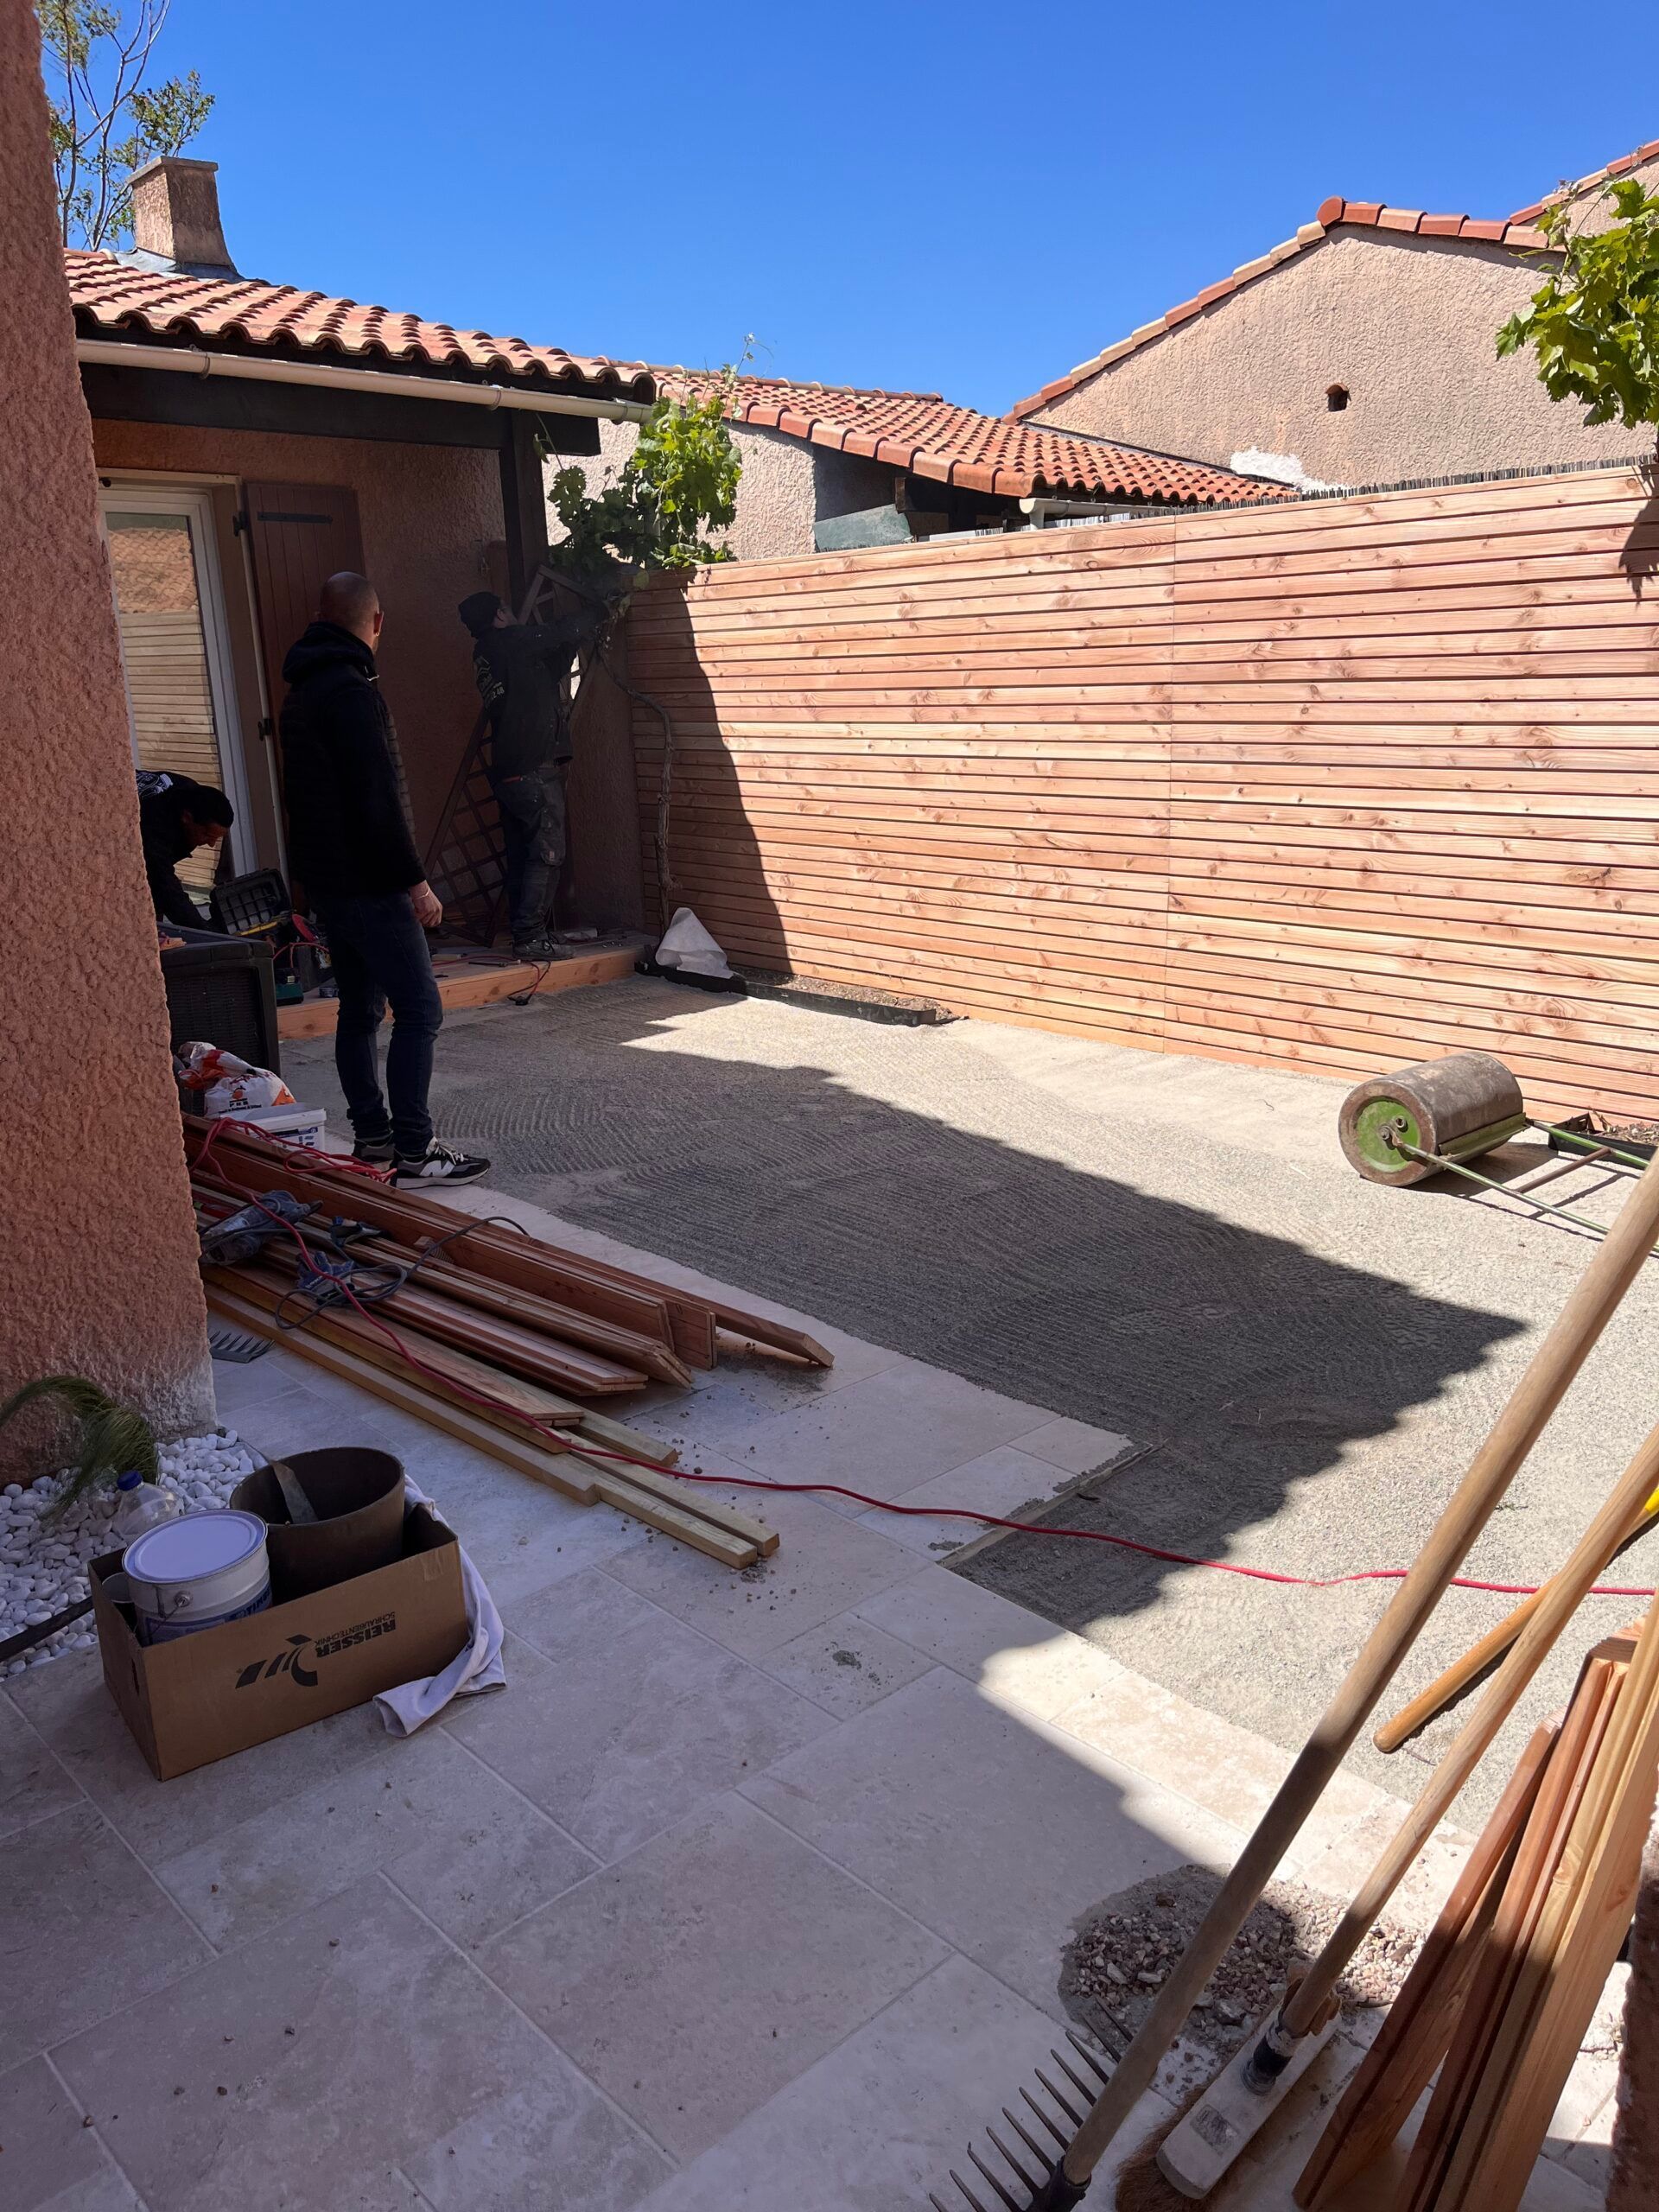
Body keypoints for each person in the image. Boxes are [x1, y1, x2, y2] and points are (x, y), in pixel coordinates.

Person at [279, 571, 488, 1185]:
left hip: (330, 883)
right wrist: (416, 883)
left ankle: (372, 1137)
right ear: (376, 622)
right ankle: (416, 1150)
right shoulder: (350, 692)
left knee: (360, 1010)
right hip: (369, 883)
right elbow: (377, 801)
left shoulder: (303, 689)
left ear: (322, 616)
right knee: (420, 1010)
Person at [457, 587, 607, 957]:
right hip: (532, 770)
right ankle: (529, 938)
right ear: (499, 616)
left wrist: (573, 642)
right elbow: (555, 633)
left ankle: (524, 933)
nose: (512, 615)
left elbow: (549, 669)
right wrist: (599, 610)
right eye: (507, 609)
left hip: (511, 772)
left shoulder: (490, 654)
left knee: (523, 856)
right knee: (547, 853)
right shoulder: (509, 642)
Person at [137, 770, 232, 931]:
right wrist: (203, 931)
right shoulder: (154, 825)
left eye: (217, 838)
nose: (211, 844)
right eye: (207, 835)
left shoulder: (192, 794)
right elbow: (164, 886)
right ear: (187, 818)